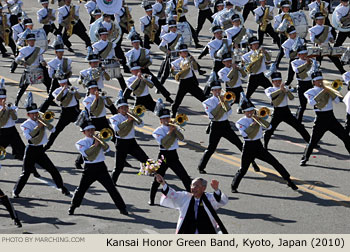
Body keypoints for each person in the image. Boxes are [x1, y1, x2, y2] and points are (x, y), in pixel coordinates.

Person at [231, 96, 298, 192]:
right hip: (248, 147)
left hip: (258, 146)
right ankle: (234, 186)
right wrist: (253, 124)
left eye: (251, 111)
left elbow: (269, 127)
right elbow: (245, 135)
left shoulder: (257, 119)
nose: (250, 113)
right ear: (243, 112)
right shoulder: (240, 122)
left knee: (275, 162)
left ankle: (288, 180)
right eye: (247, 111)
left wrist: (261, 120)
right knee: (243, 169)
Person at [198, 77, 261, 174]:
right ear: (212, 91)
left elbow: (229, 112)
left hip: (225, 125)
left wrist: (225, 103)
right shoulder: (207, 102)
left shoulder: (226, 99)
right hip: (215, 126)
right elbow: (212, 115)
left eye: (219, 90)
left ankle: (253, 163)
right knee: (211, 148)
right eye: (215, 90)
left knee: (240, 145)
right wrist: (219, 105)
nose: (218, 92)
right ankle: (201, 167)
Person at [12, 96, 70, 198]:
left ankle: (62, 188)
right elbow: (28, 137)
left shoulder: (42, 121)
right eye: (33, 113)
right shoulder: (25, 124)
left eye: (36, 113)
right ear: (28, 114)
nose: (35, 115)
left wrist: (46, 123)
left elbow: (53, 130)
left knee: (53, 170)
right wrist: (38, 126)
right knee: (26, 173)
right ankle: (15, 191)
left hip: (40, 150)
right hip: (31, 150)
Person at [69, 118, 128, 216]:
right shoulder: (80, 143)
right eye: (88, 131)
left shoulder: (99, 139)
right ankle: (73, 206)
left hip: (101, 168)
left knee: (112, 188)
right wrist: (95, 145)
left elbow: (107, 149)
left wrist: (101, 142)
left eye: (92, 130)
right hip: (89, 169)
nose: (91, 132)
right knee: (81, 189)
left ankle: (122, 208)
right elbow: (86, 153)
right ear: (84, 132)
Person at [300, 71, 350, 166]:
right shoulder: (309, 92)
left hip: (331, 118)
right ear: (313, 82)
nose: (320, 82)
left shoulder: (328, 89)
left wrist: (331, 92)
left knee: (345, 137)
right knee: (313, 141)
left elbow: (336, 101)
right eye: (317, 80)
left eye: (321, 80)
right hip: (320, 119)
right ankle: (305, 158)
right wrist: (323, 92)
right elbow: (312, 103)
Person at [156, 174, 228, 234]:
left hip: (206, 230)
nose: (194, 188)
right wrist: (163, 183)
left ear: (203, 188)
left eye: (197, 186)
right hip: (187, 229)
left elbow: (219, 200)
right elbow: (173, 195)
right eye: (193, 185)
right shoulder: (185, 197)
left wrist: (216, 190)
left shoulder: (209, 198)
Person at [149, 105, 192, 205]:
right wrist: (170, 132)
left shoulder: (175, 128)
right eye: (164, 119)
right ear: (160, 120)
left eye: (167, 118)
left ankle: (193, 198)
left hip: (173, 156)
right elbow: (163, 143)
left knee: (185, 177)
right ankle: (151, 198)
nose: (166, 120)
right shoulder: (157, 131)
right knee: (158, 178)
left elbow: (182, 139)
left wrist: (176, 130)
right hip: (163, 156)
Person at [263, 72, 310, 149]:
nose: (278, 82)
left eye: (279, 81)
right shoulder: (269, 89)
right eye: (276, 81)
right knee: (270, 129)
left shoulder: (285, 88)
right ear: (273, 82)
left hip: (286, 111)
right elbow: (271, 96)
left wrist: (287, 91)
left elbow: (292, 98)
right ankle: (265, 145)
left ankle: (310, 142)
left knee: (299, 126)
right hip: (277, 112)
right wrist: (280, 90)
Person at [109, 96, 149, 185]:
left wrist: (135, 117)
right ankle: (112, 182)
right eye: (122, 108)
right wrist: (128, 121)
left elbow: (141, 125)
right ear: (118, 109)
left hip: (132, 142)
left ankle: (156, 176)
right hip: (121, 143)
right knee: (119, 167)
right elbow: (116, 128)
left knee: (145, 159)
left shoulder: (131, 116)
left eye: (126, 107)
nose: (125, 109)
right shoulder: (114, 118)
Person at [125, 33, 173, 103]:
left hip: (145, 69)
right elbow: (129, 65)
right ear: (132, 43)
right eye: (134, 43)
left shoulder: (145, 51)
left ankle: (167, 97)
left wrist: (145, 65)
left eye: (138, 42)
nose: (136, 44)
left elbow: (150, 61)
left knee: (156, 82)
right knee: (132, 84)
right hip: (135, 71)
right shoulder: (129, 53)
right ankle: (125, 97)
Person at [43, 78, 81, 151]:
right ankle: (47, 146)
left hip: (75, 111)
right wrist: (63, 90)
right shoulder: (57, 91)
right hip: (65, 113)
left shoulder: (73, 89)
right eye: (62, 83)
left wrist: (75, 92)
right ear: (60, 84)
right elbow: (57, 99)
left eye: (65, 83)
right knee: (56, 130)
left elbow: (79, 97)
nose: (64, 84)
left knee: (87, 127)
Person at [14, 33, 51, 107]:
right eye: (30, 41)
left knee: (48, 84)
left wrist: (43, 62)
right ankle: (16, 101)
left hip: (38, 69)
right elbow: (17, 59)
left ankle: (50, 100)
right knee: (23, 87)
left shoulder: (38, 49)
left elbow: (41, 59)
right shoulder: (24, 50)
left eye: (33, 40)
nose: (32, 42)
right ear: (27, 41)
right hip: (29, 70)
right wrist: (22, 63)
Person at [170, 43, 206, 117]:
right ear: (180, 53)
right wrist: (179, 72)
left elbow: (195, 70)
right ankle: (173, 113)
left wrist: (193, 62)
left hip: (191, 81)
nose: (186, 53)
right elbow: (173, 72)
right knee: (178, 100)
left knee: (202, 97)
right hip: (183, 82)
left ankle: (213, 111)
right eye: (183, 52)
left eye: (186, 51)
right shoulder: (176, 62)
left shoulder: (190, 60)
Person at [39, 36, 72, 113]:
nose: (61, 53)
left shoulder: (67, 60)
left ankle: (69, 111)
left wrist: (68, 73)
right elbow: (51, 75)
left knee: (69, 96)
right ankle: (41, 110)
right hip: (56, 82)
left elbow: (69, 71)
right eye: (59, 52)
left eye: (62, 52)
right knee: (50, 97)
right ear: (56, 52)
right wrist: (57, 75)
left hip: (65, 81)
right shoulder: (52, 63)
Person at [92, 27, 128, 93]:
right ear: (100, 36)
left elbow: (115, 54)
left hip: (112, 63)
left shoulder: (112, 44)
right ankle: (97, 93)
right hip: (102, 64)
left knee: (120, 77)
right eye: (103, 34)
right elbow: (95, 56)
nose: (105, 36)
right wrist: (99, 62)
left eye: (106, 34)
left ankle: (126, 92)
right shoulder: (96, 45)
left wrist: (117, 58)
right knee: (97, 78)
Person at [0, 79, 25, 160]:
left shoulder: (10, 106)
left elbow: (15, 118)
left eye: (3, 98)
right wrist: (3, 109)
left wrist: (11, 111)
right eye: (0, 99)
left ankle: (19, 155)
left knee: (21, 149)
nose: (2, 101)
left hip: (12, 130)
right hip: (1, 131)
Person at [291, 45, 314, 123]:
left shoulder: (311, 61)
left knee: (316, 103)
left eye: (305, 53)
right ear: (298, 55)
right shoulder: (294, 62)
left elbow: (314, 71)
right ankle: (298, 122)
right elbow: (297, 71)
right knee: (303, 105)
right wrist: (306, 64)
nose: (305, 55)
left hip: (310, 84)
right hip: (301, 84)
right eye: (302, 54)